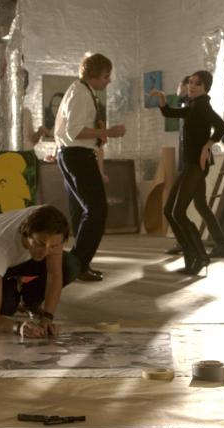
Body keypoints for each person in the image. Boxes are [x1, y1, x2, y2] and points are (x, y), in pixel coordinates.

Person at [54, 53, 126, 282]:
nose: (109, 80)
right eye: (106, 76)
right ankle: (76, 264)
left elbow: (73, 130)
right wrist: (108, 132)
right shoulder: (81, 93)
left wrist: (98, 137)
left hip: (75, 154)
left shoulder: (82, 91)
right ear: (93, 74)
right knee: (97, 210)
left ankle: (79, 265)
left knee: (83, 211)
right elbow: (75, 131)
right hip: (77, 156)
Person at [149, 70, 224, 275]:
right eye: (190, 82)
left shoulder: (203, 106)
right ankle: (194, 256)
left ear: (205, 88)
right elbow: (169, 113)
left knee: (176, 212)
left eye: (197, 84)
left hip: (196, 166)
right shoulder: (193, 105)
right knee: (171, 210)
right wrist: (162, 98)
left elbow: (222, 127)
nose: (191, 86)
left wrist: (207, 146)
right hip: (190, 165)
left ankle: (198, 256)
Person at [0, 205, 80, 338]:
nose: (45, 252)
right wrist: (18, 327)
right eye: (40, 243)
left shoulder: (54, 228)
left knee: (70, 265)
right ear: (26, 233)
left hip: (24, 257)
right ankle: (11, 287)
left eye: (53, 246)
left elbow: (54, 274)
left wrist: (47, 318)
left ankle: (29, 299)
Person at [22, 69, 50, 151]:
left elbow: (32, 140)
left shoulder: (26, 112)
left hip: (26, 154)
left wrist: (40, 131)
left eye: (24, 87)